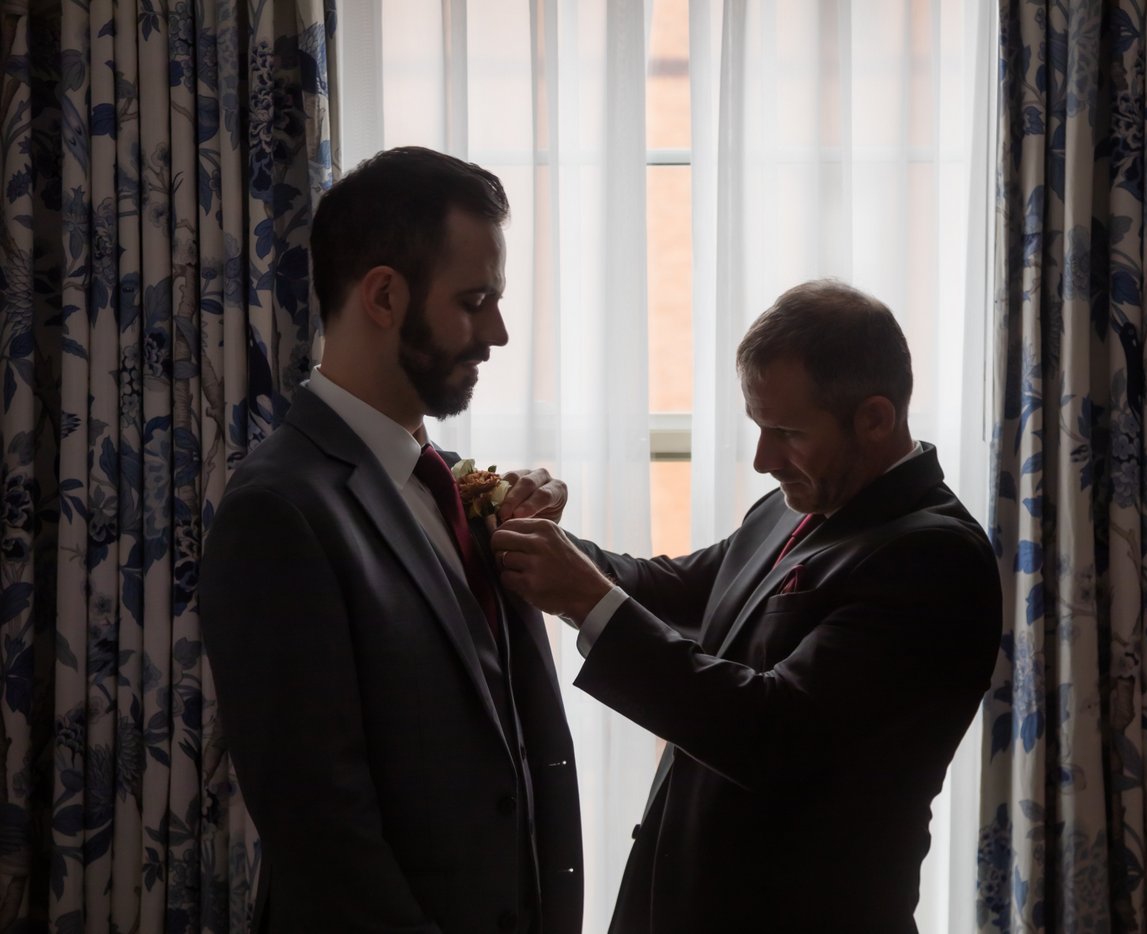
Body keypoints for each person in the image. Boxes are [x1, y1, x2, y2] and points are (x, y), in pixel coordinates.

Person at [491, 280, 1003, 934]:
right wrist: (539, 542)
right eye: (758, 427)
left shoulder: (935, 559)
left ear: (876, 419)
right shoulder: (795, 505)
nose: (762, 459)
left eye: (786, 432)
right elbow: (675, 590)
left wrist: (585, 596)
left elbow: (774, 733)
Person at [199, 147, 583, 934]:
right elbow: (324, 836)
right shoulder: (279, 512)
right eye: (474, 301)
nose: (498, 333)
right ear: (382, 295)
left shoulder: (447, 487)